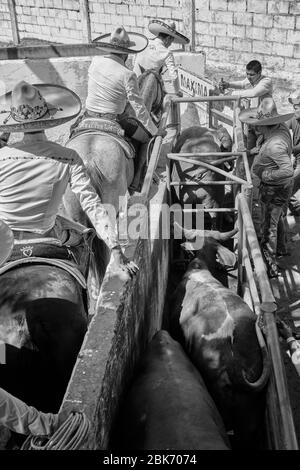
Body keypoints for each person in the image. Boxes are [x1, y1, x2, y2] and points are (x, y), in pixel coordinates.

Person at [0, 80, 138, 276]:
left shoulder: (3, 156)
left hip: (4, 243)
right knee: (83, 238)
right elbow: (91, 204)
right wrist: (115, 248)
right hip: (46, 236)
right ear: (48, 117)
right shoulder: (68, 156)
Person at [84, 26, 161, 192]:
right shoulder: (127, 74)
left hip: (87, 115)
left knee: (73, 131)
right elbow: (139, 108)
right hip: (114, 120)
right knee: (147, 138)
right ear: (126, 53)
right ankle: (138, 180)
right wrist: (155, 131)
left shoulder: (95, 62)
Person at [239, 97, 295, 278]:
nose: (255, 127)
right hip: (279, 188)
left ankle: (270, 268)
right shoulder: (281, 129)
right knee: (276, 219)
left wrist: (265, 175)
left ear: (266, 125)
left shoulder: (275, 145)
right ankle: (282, 249)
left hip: (273, 188)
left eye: (258, 124)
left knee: (267, 227)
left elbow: (287, 170)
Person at [219, 60, 273, 151]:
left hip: (264, 122)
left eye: (251, 74)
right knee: (250, 150)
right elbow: (242, 83)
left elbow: (253, 93)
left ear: (259, 73)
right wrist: (228, 85)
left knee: (263, 151)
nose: (248, 77)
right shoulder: (251, 79)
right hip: (253, 122)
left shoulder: (266, 81)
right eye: (247, 74)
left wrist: (232, 94)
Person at [133, 19, 190, 96]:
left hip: (134, 82)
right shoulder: (167, 53)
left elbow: (134, 60)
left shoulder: (145, 42)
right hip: (150, 86)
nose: (170, 44)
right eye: (171, 41)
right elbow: (174, 75)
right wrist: (177, 91)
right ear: (167, 39)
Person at [286, 91, 300, 216]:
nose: (295, 109)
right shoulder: (294, 118)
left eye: (297, 106)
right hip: (297, 160)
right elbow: (282, 126)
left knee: (285, 188)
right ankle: (297, 209)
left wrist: (288, 149)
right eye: (294, 106)